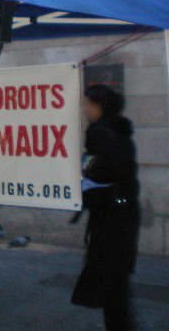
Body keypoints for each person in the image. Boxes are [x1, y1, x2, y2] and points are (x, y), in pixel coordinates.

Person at [71, 85, 139, 331]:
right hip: (123, 213)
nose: (85, 109)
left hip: (110, 217)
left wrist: (84, 181)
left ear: (99, 105)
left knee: (111, 281)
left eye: (88, 104)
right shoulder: (120, 129)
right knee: (116, 281)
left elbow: (102, 171)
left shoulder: (100, 132)